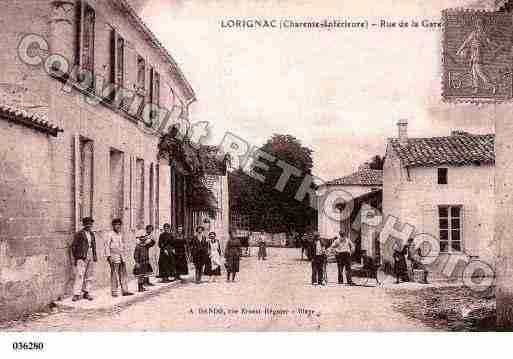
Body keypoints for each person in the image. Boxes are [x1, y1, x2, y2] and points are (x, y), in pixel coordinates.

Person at [456, 17, 497, 94]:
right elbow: (466, 42)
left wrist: (492, 46)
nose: (479, 26)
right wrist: (459, 50)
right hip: (473, 55)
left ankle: (492, 86)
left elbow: (489, 43)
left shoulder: (483, 34)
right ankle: (476, 88)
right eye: (478, 25)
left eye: (481, 24)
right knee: (474, 73)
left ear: (482, 25)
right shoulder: (474, 33)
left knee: (480, 72)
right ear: (477, 26)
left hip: (478, 56)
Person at [105, 218, 134, 297]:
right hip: (114, 256)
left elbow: (122, 245)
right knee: (114, 274)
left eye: (119, 225)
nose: (118, 226)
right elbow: (106, 246)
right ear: (113, 225)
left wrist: (124, 254)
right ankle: (114, 291)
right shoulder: (110, 234)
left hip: (121, 256)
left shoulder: (120, 234)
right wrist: (108, 256)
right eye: (116, 225)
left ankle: (125, 290)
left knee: (123, 274)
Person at [71, 217, 97, 301]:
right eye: (87, 224)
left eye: (90, 224)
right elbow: (73, 246)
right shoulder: (79, 233)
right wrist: (76, 257)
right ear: (84, 225)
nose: (89, 226)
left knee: (89, 275)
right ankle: (76, 294)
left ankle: (87, 292)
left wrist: (94, 255)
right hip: (81, 256)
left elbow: (94, 246)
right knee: (80, 274)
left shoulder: (92, 234)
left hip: (90, 255)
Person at [134, 225, 156, 292]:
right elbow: (135, 255)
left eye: (144, 238)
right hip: (140, 262)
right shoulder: (138, 246)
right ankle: (140, 287)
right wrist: (137, 262)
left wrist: (151, 238)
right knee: (140, 275)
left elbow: (152, 243)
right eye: (142, 238)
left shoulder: (146, 245)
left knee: (144, 274)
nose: (143, 239)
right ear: (140, 239)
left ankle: (143, 286)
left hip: (145, 261)